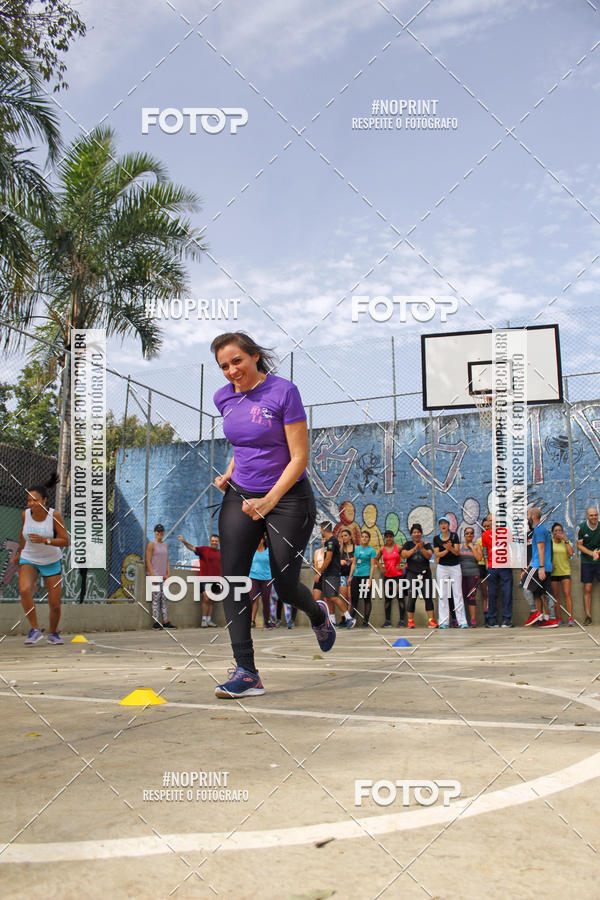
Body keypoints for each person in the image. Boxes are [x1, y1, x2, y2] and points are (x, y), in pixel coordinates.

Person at [210, 331, 335, 698]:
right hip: (241, 494)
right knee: (232, 579)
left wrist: (269, 501)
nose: (232, 371)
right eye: (223, 366)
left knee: (284, 585)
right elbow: (243, 441)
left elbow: (298, 457)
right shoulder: (223, 398)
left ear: (254, 357)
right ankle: (246, 672)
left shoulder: (283, 392)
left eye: (237, 361)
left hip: (288, 497)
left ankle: (317, 614)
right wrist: (231, 471)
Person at [15, 474, 69, 645]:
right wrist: (19, 552)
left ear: (44, 500)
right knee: (24, 589)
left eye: (35, 500)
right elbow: (24, 535)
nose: (31, 503)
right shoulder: (26, 515)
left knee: (55, 604)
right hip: (29, 558)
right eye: (29, 500)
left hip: (51, 560)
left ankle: (53, 633)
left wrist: (45, 540)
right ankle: (35, 630)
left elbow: (65, 541)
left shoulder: (54, 516)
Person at [522, 507, 559, 628]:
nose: (527, 518)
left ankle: (534, 612)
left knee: (525, 587)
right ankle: (552, 619)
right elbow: (536, 552)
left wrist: (541, 567)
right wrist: (528, 568)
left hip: (539, 566)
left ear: (533, 516)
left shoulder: (538, 530)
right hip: (543, 565)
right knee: (548, 593)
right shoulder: (542, 529)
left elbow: (541, 549)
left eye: (528, 515)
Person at [316, 521, 356, 628]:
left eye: (321, 529)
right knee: (327, 598)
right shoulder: (328, 542)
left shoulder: (332, 541)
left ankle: (349, 618)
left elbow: (328, 558)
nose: (320, 531)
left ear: (323, 529)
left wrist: (319, 571)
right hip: (327, 573)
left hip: (332, 574)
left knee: (333, 597)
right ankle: (332, 621)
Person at [178, 533, 221, 627]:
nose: (214, 542)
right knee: (206, 598)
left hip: (216, 579)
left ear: (218, 542)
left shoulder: (220, 553)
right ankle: (204, 620)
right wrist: (184, 541)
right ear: (210, 541)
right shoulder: (204, 549)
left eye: (216, 541)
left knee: (212, 600)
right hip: (204, 579)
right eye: (213, 541)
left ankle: (209, 620)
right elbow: (192, 547)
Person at [433, 516, 468, 629]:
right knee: (443, 594)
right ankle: (443, 621)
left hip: (455, 567)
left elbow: (457, 552)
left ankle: (462, 621)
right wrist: (447, 550)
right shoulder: (436, 539)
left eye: (445, 523)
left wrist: (450, 548)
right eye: (441, 523)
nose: (443, 525)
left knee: (457, 593)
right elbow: (437, 555)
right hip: (442, 567)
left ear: (449, 525)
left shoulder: (454, 536)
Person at [401, 523, 437, 628]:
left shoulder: (426, 544)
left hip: (425, 573)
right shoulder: (408, 544)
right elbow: (404, 555)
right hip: (412, 573)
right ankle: (411, 621)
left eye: (418, 532)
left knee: (428, 597)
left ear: (421, 533)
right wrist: (414, 548)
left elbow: (429, 555)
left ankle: (431, 620)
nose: (416, 534)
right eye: (414, 532)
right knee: (412, 597)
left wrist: (421, 548)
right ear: (412, 534)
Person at [481, 516, 514, 627]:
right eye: (490, 520)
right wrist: (486, 563)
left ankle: (507, 618)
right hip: (492, 566)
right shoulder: (485, 534)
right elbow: (485, 550)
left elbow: (512, 546)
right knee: (492, 593)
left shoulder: (506, 532)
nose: (492, 522)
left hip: (505, 566)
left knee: (507, 592)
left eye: (494, 520)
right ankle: (492, 619)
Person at [146, 524, 176, 629]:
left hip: (163, 576)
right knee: (156, 598)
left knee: (164, 598)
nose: (160, 533)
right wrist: (152, 575)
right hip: (154, 575)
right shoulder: (151, 544)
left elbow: (167, 560)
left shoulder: (165, 545)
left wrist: (168, 572)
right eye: (158, 531)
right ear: (155, 532)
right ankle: (155, 622)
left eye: (161, 531)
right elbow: (148, 561)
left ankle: (165, 621)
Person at [376, 530, 406, 627]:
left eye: (390, 536)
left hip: (398, 576)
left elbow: (408, 556)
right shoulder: (382, 549)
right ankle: (387, 621)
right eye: (387, 536)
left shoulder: (398, 547)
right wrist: (381, 568)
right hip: (388, 576)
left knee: (400, 598)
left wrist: (403, 566)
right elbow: (375, 559)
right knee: (388, 599)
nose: (389, 538)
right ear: (385, 538)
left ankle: (401, 621)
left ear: (393, 537)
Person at [576, 507, 600, 625]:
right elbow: (579, 546)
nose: (594, 517)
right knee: (588, 588)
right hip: (587, 562)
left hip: (599, 560)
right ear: (587, 516)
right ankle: (588, 616)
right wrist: (592, 554)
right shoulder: (581, 527)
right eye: (591, 515)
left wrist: (598, 553)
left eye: (596, 515)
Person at [348, 530, 377, 626]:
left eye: (366, 537)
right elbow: (354, 563)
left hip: (365, 576)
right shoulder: (357, 549)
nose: (364, 538)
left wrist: (370, 580)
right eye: (362, 536)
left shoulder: (371, 551)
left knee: (366, 598)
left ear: (369, 539)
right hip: (356, 576)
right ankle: (351, 620)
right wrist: (350, 576)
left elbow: (372, 566)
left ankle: (366, 621)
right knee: (354, 599)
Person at [551, 522, 574, 626]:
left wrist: (566, 540)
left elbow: (571, 553)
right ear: (552, 533)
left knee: (567, 594)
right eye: (556, 531)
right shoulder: (550, 543)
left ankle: (570, 618)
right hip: (553, 573)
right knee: (556, 596)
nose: (558, 532)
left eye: (560, 530)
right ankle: (559, 618)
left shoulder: (566, 542)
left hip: (565, 571)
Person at [459, 527, 483, 626]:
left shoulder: (476, 546)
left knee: (471, 597)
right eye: (467, 533)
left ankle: (473, 620)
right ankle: (462, 619)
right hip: (461, 574)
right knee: (461, 597)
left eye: (471, 533)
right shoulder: (460, 546)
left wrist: (472, 547)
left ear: (473, 535)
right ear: (464, 535)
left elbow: (479, 558)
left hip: (473, 574)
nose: (469, 535)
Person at [248, 535, 274, 628]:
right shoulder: (251, 550)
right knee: (252, 598)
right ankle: (249, 621)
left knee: (266, 600)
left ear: (263, 540)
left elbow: (274, 563)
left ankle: (267, 621)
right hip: (253, 577)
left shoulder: (268, 551)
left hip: (267, 578)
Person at [339, 527, 355, 614]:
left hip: (352, 575)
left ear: (350, 537)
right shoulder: (340, 549)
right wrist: (340, 561)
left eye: (345, 535)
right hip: (342, 574)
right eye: (342, 536)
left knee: (350, 597)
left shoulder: (355, 548)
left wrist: (354, 560)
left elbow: (360, 561)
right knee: (343, 597)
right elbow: (334, 561)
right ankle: (344, 617)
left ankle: (349, 616)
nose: (344, 537)